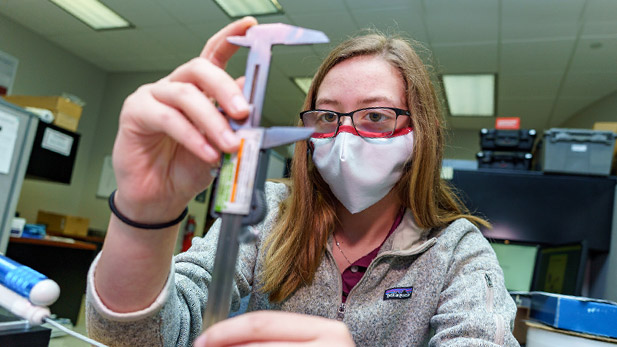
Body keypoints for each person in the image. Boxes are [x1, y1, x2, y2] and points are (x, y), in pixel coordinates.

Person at [86, 16, 519, 347]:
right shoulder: (270, 211)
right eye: (327, 117)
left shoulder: (455, 250)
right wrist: (145, 211)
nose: (345, 137)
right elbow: (136, 336)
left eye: (375, 117)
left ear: (419, 132)